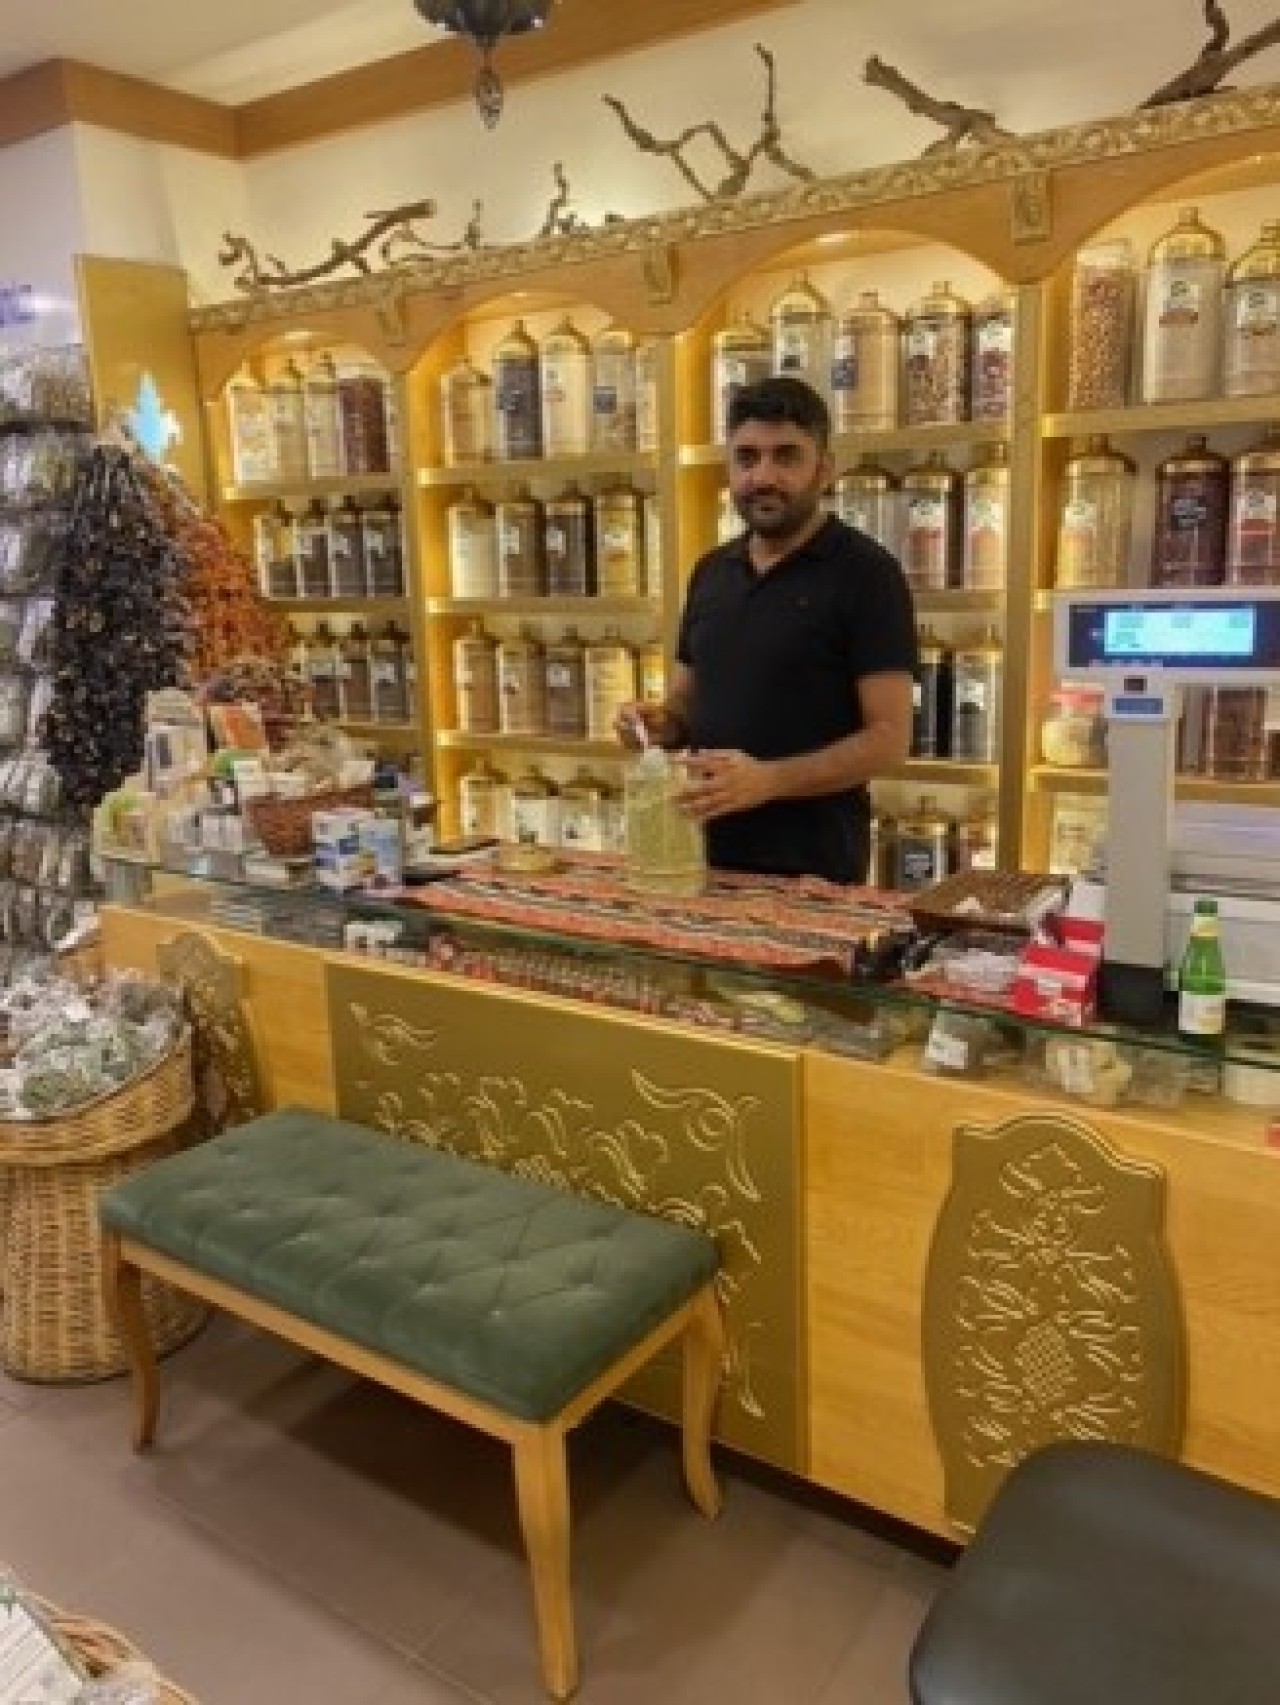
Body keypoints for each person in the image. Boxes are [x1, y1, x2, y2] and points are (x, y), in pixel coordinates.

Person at [617, 375, 917, 885]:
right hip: (697, 857)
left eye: (786, 457)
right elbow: (686, 704)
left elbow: (889, 738)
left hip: (814, 871)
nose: (763, 476)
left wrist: (770, 780)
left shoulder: (867, 573)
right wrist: (658, 725)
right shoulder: (711, 571)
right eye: (747, 457)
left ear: (824, 469)